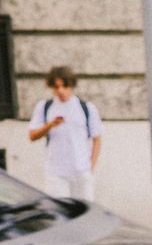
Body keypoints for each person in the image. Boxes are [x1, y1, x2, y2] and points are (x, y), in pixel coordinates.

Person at [27, 66, 103, 201]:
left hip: (81, 170)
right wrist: (50, 125)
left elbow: (97, 138)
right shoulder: (45, 107)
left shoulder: (86, 108)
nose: (61, 91)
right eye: (56, 87)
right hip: (56, 172)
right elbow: (32, 136)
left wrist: (91, 166)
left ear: (71, 85)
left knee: (84, 211)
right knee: (61, 211)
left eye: (64, 86)